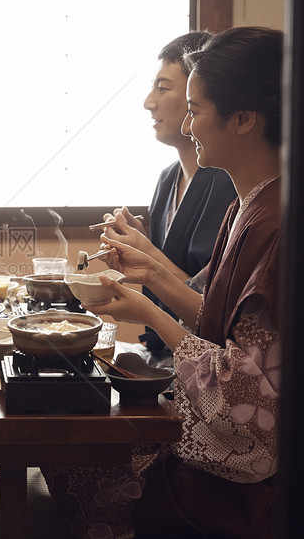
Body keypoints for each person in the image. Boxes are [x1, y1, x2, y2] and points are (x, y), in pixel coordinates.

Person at [46, 26, 284, 538]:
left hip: (245, 464)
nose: (189, 124)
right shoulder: (250, 204)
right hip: (214, 413)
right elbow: (217, 317)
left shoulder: (276, 221)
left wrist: (149, 310)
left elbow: (243, 393)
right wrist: (146, 276)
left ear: (243, 119)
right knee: (69, 438)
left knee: (75, 456)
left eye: (196, 110)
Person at [101, 31, 237, 366]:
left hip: (208, 358)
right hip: (166, 351)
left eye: (163, 88)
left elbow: (214, 303)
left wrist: (147, 254)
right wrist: (142, 246)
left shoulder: (231, 181)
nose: (149, 102)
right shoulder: (167, 178)